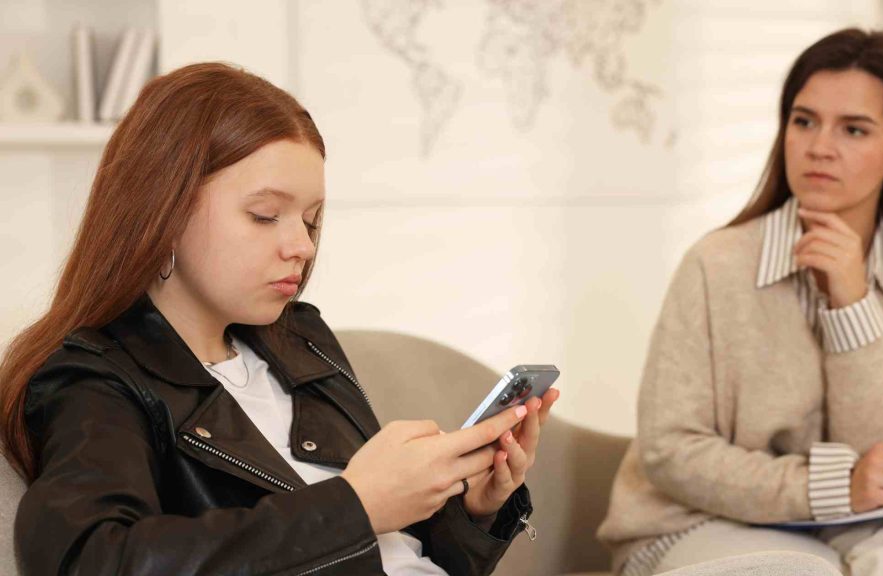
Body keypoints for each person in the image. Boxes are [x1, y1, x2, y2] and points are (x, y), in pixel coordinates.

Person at [0, 62, 559, 575]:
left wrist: (473, 511)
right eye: (266, 216)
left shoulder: (302, 341)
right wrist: (355, 507)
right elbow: (91, 560)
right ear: (162, 211)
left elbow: (399, 556)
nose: (302, 246)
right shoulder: (97, 379)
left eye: (311, 220)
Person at [597, 28, 883, 576]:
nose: (820, 146)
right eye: (804, 121)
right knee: (800, 568)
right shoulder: (716, 264)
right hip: (691, 524)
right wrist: (834, 487)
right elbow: (670, 452)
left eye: (853, 128)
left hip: (840, 522)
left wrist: (851, 304)